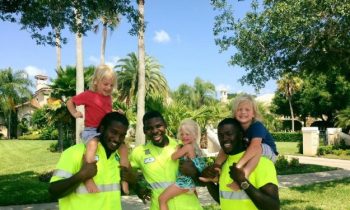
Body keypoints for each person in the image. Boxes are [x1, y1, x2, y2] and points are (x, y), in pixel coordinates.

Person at [49, 112, 135, 210]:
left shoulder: (119, 157)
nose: (117, 139)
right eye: (113, 132)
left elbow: (123, 190)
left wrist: (132, 180)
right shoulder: (75, 152)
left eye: (122, 135)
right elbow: (53, 191)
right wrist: (81, 175)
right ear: (102, 129)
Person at [66, 64, 130, 194]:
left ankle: (124, 179)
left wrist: (115, 113)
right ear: (96, 81)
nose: (109, 88)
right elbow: (70, 102)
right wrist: (74, 113)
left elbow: (105, 114)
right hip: (91, 130)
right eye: (105, 84)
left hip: (104, 131)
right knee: (93, 144)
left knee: (124, 148)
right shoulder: (88, 95)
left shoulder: (109, 98)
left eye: (111, 85)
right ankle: (87, 177)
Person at [129, 111, 203, 210]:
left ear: (165, 125)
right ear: (144, 131)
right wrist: (137, 187)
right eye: (149, 128)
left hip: (189, 206)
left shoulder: (180, 146)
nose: (155, 131)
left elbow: (200, 176)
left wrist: (194, 172)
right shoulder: (138, 152)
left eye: (159, 126)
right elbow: (127, 173)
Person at [201, 118, 280, 210]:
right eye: (220, 135)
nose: (224, 139)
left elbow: (273, 207)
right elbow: (223, 200)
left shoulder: (262, 162)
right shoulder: (224, 164)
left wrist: (243, 182)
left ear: (241, 135)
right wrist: (209, 182)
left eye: (229, 134)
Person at [214, 94, 278, 190]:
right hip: (253, 148)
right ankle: (215, 174)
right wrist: (217, 166)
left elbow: (255, 146)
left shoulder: (257, 126)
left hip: (269, 151)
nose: (243, 112)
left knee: (258, 149)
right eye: (239, 109)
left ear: (253, 114)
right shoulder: (236, 128)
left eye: (247, 110)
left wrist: (238, 166)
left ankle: (244, 176)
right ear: (235, 113)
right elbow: (224, 148)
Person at [158, 119, 206, 210]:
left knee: (162, 199)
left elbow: (173, 157)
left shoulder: (187, 147)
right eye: (182, 134)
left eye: (187, 134)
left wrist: (177, 149)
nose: (184, 137)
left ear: (195, 135)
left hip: (184, 182)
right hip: (192, 183)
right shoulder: (197, 149)